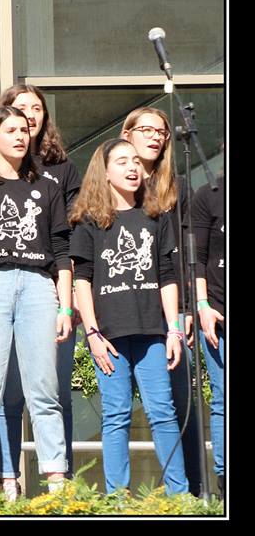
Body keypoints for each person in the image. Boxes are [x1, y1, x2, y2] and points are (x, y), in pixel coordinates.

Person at [0, 105, 72, 496]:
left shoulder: (48, 188)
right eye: (11, 130)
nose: (20, 137)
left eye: (24, 130)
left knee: (44, 389)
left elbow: (61, 251)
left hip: (39, 287)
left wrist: (65, 306)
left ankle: (56, 480)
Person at [69, 138, 188, 495]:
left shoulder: (156, 216)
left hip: (153, 332)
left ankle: (179, 496)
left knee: (162, 411)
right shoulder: (89, 221)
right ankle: (117, 499)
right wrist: (92, 334)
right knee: (116, 414)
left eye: (135, 161)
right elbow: (81, 279)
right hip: (108, 336)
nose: (133, 167)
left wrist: (173, 330)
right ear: (104, 172)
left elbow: (167, 275)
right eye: (122, 162)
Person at [0, 84, 82, 500]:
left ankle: (62, 481)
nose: (30, 114)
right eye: (20, 108)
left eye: (36, 108)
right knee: (7, 393)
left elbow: (70, 236)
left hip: (50, 287)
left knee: (55, 392)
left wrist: (68, 296)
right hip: (5, 289)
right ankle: (7, 480)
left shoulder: (62, 170)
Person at [120, 106, 202, 495]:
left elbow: (187, 254)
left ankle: (189, 493)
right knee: (119, 410)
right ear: (127, 134)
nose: (156, 137)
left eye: (162, 132)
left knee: (177, 403)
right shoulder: (113, 186)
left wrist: (186, 308)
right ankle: (117, 497)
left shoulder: (177, 186)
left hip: (170, 309)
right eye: (147, 130)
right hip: (124, 308)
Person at [192, 168, 225, 498]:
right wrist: (202, 305)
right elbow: (197, 259)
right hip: (218, 313)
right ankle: (225, 479)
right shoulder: (209, 194)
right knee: (223, 399)